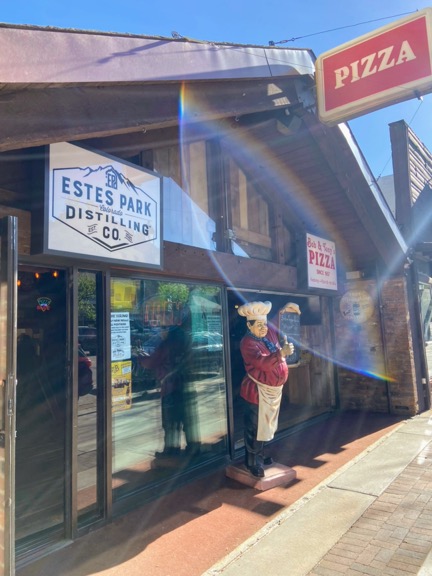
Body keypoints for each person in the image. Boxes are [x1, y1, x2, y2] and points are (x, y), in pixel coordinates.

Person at [237, 301, 298, 478]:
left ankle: (260, 456)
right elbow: (262, 363)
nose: (263, 328)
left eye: (264, 324)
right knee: (254, 427)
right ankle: (251, 462)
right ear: (249, 325)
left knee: (266, 426)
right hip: (256, 392)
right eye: (259, 325)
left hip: (272, 392)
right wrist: (281, 354)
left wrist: (285, 309)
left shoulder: (267, 333)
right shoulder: (247, 343)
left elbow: (274, 322)